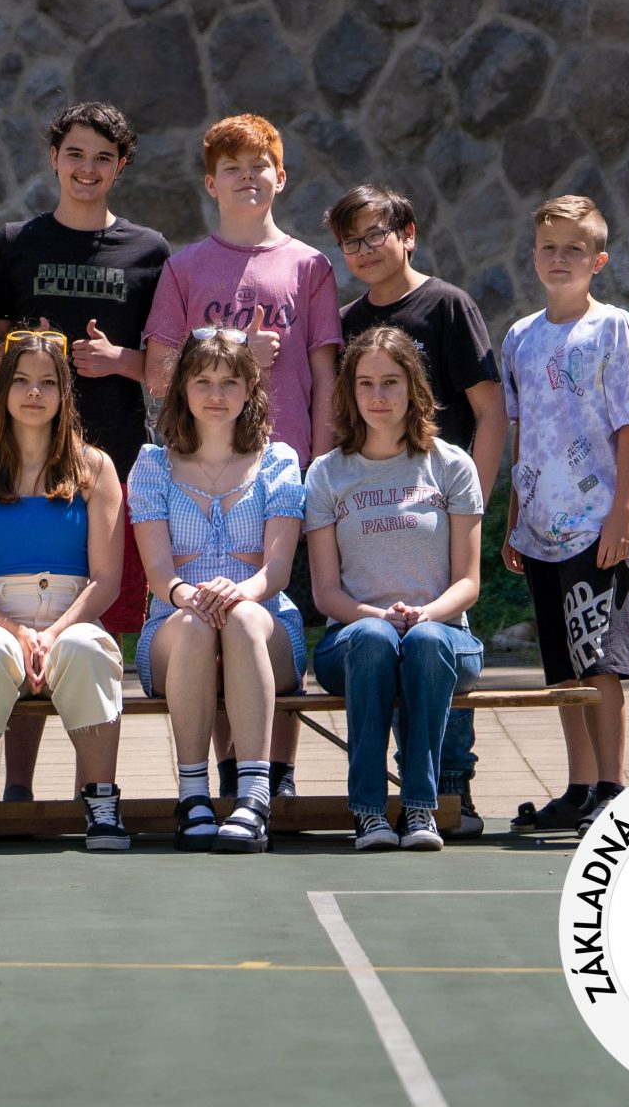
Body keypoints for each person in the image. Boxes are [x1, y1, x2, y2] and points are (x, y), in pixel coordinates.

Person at [141, 113, 337, 804]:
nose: (247, 178)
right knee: (211, 616)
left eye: (260, 167)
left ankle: (275, 775)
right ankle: (227, 775)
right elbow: (160, 372)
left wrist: (319, 466)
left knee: (270, 611)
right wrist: (233, 351)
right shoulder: (185, 266)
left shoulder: (309, 265)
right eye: (232, 168)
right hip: (203, 457)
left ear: (281, 178)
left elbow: (326, 373)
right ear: (210, 183)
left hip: (283, 474)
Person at [0, 101, 167, 797]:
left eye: (103, 157)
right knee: (24, 627)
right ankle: (17, 791)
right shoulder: (14, 243)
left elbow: (166, 367)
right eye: (76, 154)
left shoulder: (149, 251)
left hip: (110, 460)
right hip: (25, 461)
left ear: (121, 166)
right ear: (54, 158)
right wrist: (29, 360)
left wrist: (120, 360)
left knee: (98, 630)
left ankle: (98, 789)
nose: (87, 168)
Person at [328, 182, 506, 835]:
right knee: (381, 646)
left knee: (437, 643)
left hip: (438, 511)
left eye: (375, 234)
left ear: (408, 234)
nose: (364, 250)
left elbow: (490, 412)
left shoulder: (447, 306)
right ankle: (381, 803)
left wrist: (466, 502)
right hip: (372, 508)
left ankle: (451, 792)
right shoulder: (345, 322)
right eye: (350, 241)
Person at [0, 331, 129, 854]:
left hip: (74, 618)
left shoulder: (96, 468)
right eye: (21, 380)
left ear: (64, 394)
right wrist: (19, 633)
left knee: (88, 650)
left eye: (47, 383)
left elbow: (105, 580)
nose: (33, 393)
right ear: (2, 389)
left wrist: (53, 633)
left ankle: (102, 802)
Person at [307, 328, 487, 852]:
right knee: (374, 640)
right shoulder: (326, 474)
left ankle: (419, 808)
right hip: (355, 641)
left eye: (390, 382)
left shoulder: (451, 465)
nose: (378, 396)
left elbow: (469, 582)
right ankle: (368, 813)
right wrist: (376, 616)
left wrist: (426, 614)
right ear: (350, 391)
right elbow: (325, 592)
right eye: (365, 383)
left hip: (444, 637)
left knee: (424, 643)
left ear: (413, 388)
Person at [500, 194, 629, 833]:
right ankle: (580, 786)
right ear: (534, 257)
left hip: (596, 528)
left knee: (599, 662)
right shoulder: (519, 337)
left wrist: (621, 516)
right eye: (549, 248)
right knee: (562, 668)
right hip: (539, 529)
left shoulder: (613, 328)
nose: (560, 259)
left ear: (598, 260)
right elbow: (521, 432)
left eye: (574, 249)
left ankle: (613, 787)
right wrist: (514, 517)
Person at [130, 329, 305, 854]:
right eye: (203, 381)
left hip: (266, 623)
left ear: (250, 388)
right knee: (193, 623)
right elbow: (158, 572)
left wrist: (239, 593)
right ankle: (193, 798)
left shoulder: (278, 461)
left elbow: (277, 570)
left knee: (243, 617)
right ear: (182, 387)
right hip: (175, 624)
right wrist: (188, 595)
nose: (216, 394)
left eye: (230, 381)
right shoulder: (152, 465)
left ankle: (254, 798)